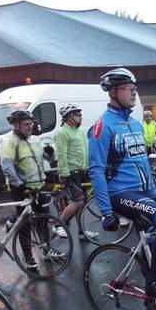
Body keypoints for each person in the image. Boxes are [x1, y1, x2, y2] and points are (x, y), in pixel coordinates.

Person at [89, 67, 156, 301]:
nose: (134, 94)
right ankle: (154, 284)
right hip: (120, 193)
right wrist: (106, 212)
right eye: (129, 89)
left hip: (143, 194)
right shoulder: (103, 126)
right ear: (113, 92)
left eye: (135, 90)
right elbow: (97, 170)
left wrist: (153, 193)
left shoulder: (136, 124)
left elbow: (141, 162)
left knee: (153, 247)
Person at [0, 109, 62, 271]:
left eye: (31, 123)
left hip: (38, 186)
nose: (30, 126)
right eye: (26, 124)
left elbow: (48, 158)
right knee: (25, 223)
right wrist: (19, 185)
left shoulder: (35, 140)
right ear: (16, 125)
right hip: (20, 188)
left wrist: (50, 153)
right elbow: (7, 166)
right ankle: (28, 257)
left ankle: (47, 250)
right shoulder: (9, 142)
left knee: (42, 218)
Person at [53, 103, 99, 241]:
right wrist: (65, 174)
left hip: (83, 170)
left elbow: (84, 152)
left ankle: (81, 232)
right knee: (77, 202)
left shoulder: (79, 132)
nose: (81, 117)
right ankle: (58, 225)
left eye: (80, 114)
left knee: (82, 203)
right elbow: (61, 154)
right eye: (78, 115)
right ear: (69, 117)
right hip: (71, 172)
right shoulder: (62, 132)